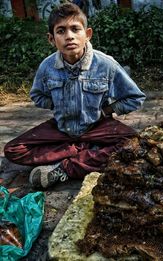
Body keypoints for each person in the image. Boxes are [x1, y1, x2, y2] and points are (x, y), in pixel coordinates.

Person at [3, 3, 146, 189]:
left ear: (87, 34)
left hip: (97, 126)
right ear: (51, 39)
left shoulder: (106, 65)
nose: (69, 36)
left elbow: (135, 97)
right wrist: (58, 105)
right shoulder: (47, 67)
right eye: (61, 31)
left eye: (75, 29)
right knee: (13, 150)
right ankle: (83, 150)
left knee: (135, 145)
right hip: (62, 129)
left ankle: (65, 167)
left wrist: (107, 111)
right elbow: (37, 95)